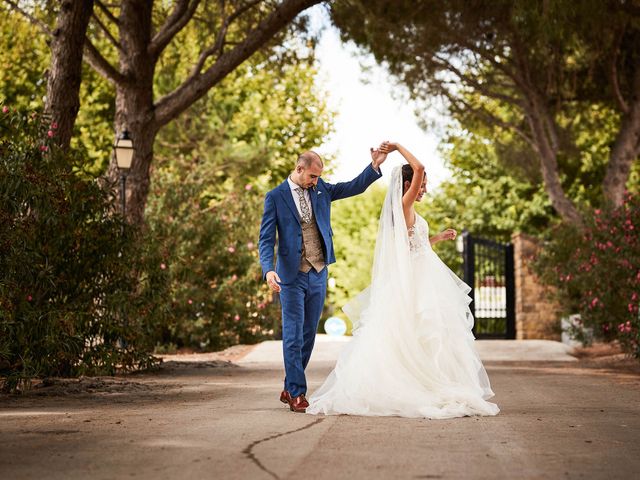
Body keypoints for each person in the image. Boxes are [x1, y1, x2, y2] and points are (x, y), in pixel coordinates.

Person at [306, 142, 500, 419]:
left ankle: (427, 378)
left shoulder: (405, 212)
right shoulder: (404, 203)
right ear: (408, 184)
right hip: (419, 277)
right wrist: (396, 147)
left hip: (419, 271)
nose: (424, 189)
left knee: (423, 332)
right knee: (424, 328)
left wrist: (437, 238)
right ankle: (424, 384)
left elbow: (411, 245)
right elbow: (419, 167)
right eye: (421, 186)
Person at [258, 148, 387, 413]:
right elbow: (266, 238)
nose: (316, 181)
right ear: (299, 169)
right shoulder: (275, 197)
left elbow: (352, 187)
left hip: (318, 273)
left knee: (308, 335)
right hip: (290, 277)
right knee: (293, 335)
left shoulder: (321, 190)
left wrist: (373, 165)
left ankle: (289, 385)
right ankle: (297, 393)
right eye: (313, 176)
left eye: (319, 177)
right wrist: (268, 269)